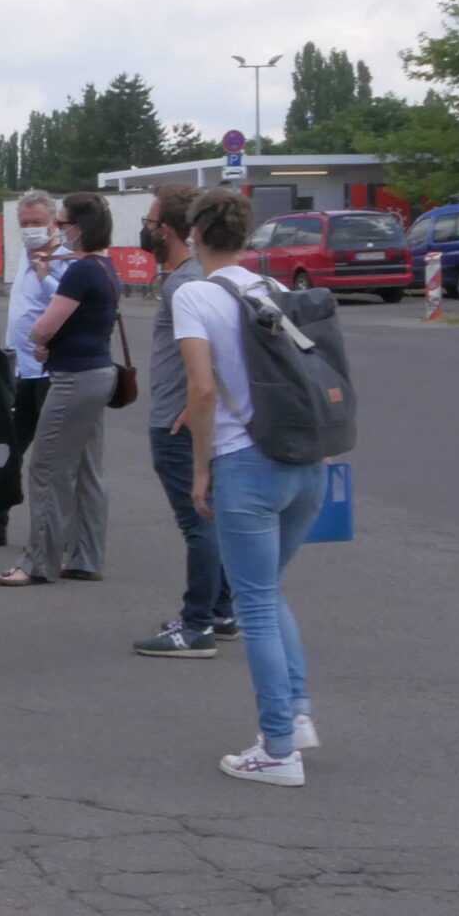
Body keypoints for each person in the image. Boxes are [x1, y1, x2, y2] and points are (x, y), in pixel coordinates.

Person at [174, 188, 324, 786]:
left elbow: (202, 391)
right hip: (302, 461)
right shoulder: (277, 291)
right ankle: (298, 713)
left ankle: (279, 750)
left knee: (254, 601)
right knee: (269, 590)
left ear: (197, 234)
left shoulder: (195, 295)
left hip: (246, 464)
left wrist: (201, 467)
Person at [132, 184, 237, 656]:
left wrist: (192, 406)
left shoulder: (183, 284)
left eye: (151, 222)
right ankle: (222, 611)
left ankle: (196, 625)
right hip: (191, 416)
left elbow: (207, 355)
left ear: (168, 230)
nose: (146, 229)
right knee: (209, 518)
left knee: (198, 523)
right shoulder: (200, 276)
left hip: (178, 424)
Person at [0, 190, 121, 587]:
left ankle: (38, 560)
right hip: (98, 373)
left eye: (61, 223)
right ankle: (86, 555)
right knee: (86, 469)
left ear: (77, 228)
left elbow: (44, 325)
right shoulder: (104, 266)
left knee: (47, 467)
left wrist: (40, 338)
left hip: (73, 377)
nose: (56, 230)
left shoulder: (81, 270)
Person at [0, 190, 60, 548]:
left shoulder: (63, 256)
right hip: (20, 370)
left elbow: (71, 300)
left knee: (51, 461)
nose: (30, 230)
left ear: (53, 222)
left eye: (37, 223)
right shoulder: (25, 254)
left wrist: (46, 274)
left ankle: (53, 536)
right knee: (4, 450)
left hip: (53, 371)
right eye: (24, 224)